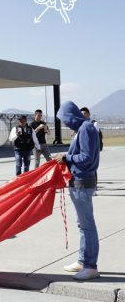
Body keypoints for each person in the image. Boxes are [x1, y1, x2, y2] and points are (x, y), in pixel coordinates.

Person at [55, 101, 101, 281]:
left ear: (71, 115)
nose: (65, 123)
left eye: (65, 119)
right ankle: (83, 260)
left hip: (83, 181)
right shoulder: (82, 129)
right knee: (82, 225)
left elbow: (86, 157)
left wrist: (66, 157)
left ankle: (91, 266)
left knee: (87, 225)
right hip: (78, 181)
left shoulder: (86, 128)